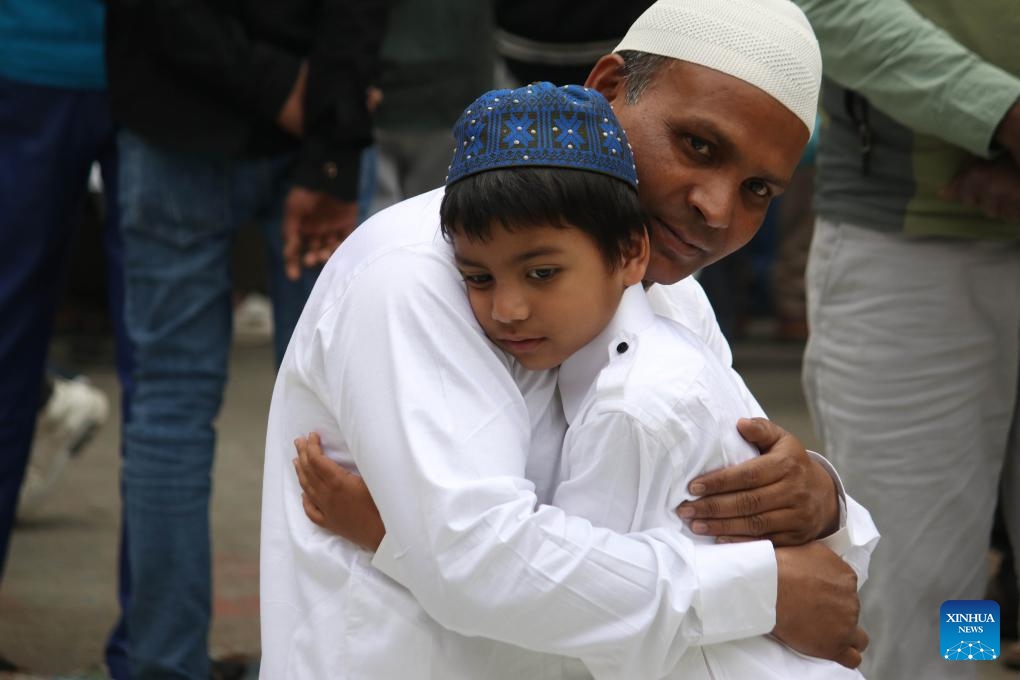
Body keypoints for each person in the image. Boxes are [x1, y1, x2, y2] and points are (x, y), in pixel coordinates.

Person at [260, 0, 871, 677]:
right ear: (607, 88)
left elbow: (521, 564)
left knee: (951, 590)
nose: (717, 208)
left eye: (758, 190)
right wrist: (763, 592)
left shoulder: (671, 299)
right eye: (699, 145)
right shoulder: (415, 273)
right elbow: (480, 561)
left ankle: (974, 643)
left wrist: (820, 502)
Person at [103, 0, 389, 676]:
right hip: (314, 115)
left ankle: (162, 662)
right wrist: (330, 134)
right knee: (336, 417)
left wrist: (292, 99)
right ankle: (326, 660)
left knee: (169, 408)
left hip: (179, 110)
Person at [788, 1, 1020, 678]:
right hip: (912, 245)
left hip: (928, 236)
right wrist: (1003, 117)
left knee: (951, 563)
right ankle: (964, 661)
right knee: (936, 578)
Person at [0, 1, 136, 675]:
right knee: (164, 379)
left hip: (40, 55)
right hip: (147, 64)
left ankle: (155, 645)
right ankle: (154, 650)